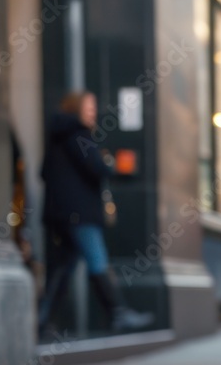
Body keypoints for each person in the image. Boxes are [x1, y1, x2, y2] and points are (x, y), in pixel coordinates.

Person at [37, 91, 153, 338]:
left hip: (64, 213)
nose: (93, 111)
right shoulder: (77, 135)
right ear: (75, 108)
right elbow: (96, 167)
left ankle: (44, 320)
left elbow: (44, 173)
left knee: (63, 268)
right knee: (96, 261)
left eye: (94, 107)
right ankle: (117, 313)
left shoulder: (59, 136)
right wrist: (117, 168)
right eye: (88, 107)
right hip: (79, 213)